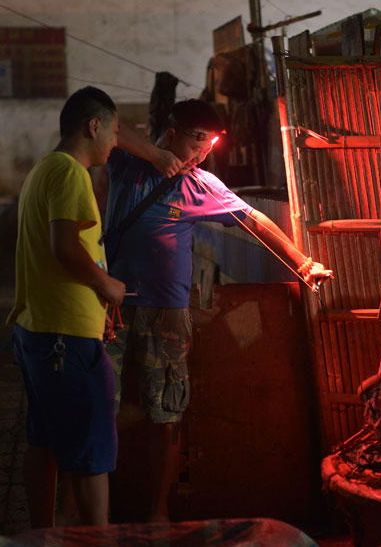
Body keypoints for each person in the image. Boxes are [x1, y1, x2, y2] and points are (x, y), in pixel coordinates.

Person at [102, 99, 332, 523]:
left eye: (208, 147)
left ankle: (157, 515)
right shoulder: (127, 166)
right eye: (195, 142)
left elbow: (254, 220)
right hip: (111, 308)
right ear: (171, 135)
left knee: (166, 414)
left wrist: (302, 263)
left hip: (168, 312)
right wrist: (155, 155)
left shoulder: (201, 184)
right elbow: (107, 124)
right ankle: (95, 513)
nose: (201, 155)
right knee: (98, 410)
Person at [8, 86, 182, 528]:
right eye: (115, 131)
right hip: (66, 337)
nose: (115, 141)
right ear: (93, 127)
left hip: (38, 329)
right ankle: (97, 540)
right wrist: (109, 286)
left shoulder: (42, 170)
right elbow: (65, 248)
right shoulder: (71, 174)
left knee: (44, 441)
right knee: (91, 451)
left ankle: (43, 534)